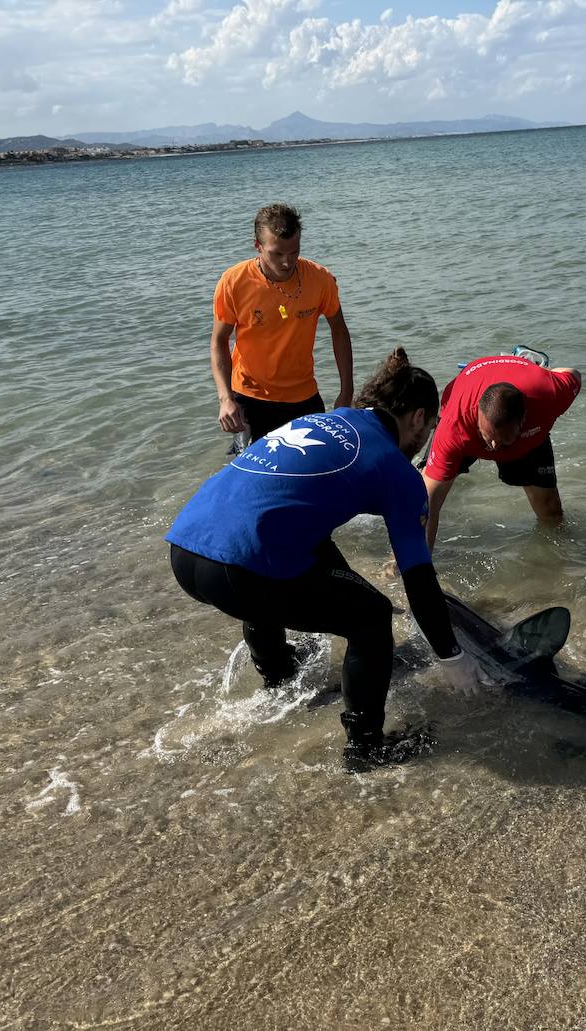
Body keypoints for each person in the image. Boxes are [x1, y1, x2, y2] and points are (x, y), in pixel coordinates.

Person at [167, 349, 482, 773]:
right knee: (371, 616)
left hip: (186, 548)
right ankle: (366, 748)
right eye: (428, 428)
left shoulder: (325, 420)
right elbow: (418, 576)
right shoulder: (395, 467)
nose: (425, 438)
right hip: (239, 570)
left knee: (284, 553)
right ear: (418, 417)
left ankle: (278, 680)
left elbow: (290, 518)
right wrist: (450, 655)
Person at [210, 202, 354, 444]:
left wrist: (346, 391)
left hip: (304, 396)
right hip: (249, 397)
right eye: (277, 253)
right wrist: (226, 399)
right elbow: (219, 341)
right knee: (255, 476)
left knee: (315, 472)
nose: (287, 262)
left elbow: (339, 331)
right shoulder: (233, 282)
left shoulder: (320, 279)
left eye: (294, 251)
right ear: (258, 246)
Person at [421, 353, 582, 552]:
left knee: (551, 512)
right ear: (477, 413)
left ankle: (556, 562)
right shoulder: (455, 426)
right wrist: (414, 565)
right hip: (465, 419)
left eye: (503, 440)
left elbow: (573, 374)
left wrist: (544, 373)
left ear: (523, 420)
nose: (494, 446)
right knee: (423, 494)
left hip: (528, 416)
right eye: (489, 437)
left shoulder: (549, 395)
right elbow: (428, 503)